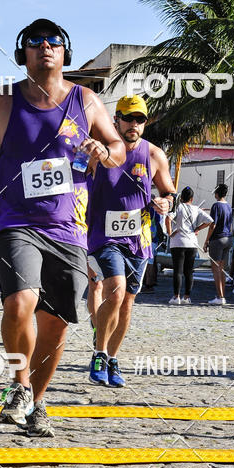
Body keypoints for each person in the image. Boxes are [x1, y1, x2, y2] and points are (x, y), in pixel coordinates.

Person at [0, 17, 125, 438]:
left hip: (68, 226)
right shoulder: (3, 99)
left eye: (53, 41)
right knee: (20, 302)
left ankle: (37, 403)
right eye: (34, 42)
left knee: (55, 322)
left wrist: (103, 151)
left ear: (64, 52)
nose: (44, 47)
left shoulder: (87, 100)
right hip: (13, 220)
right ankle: (18, 387)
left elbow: (119, 149)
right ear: (24, 54)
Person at [86, 95, 176, 387]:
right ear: (117, 120)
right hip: (102, 232)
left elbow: (168, 192)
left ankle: (113, 358)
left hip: (139, 236)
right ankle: (99, 353)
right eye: (128, 118)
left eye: (140, 119)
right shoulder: (100, 148)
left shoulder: (154, 155)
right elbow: (74, 173)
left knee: (126, 303)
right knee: (115, 286)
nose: (134, 124)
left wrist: (165, 203)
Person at [166, 187, 213, 304]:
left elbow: (168, 218)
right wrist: (197, 228)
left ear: (181, 198)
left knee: (178, 270)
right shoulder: (196, 209)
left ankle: (176, 297)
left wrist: (170, 232)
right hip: (191, 242)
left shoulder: (178, 207)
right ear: (192, 198)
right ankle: (187, 297)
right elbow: (210, 221)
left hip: (177, 241)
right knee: (189, 271)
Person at [203, 183, 233, 305]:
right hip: (228, 238)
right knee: (222, 269)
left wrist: (206, 240)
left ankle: (219, 297)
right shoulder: (229, 206)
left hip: (217, 239)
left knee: (215, 269)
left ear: (216, 193)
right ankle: (222, 295)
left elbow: (212, 225)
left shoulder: (216, 206)